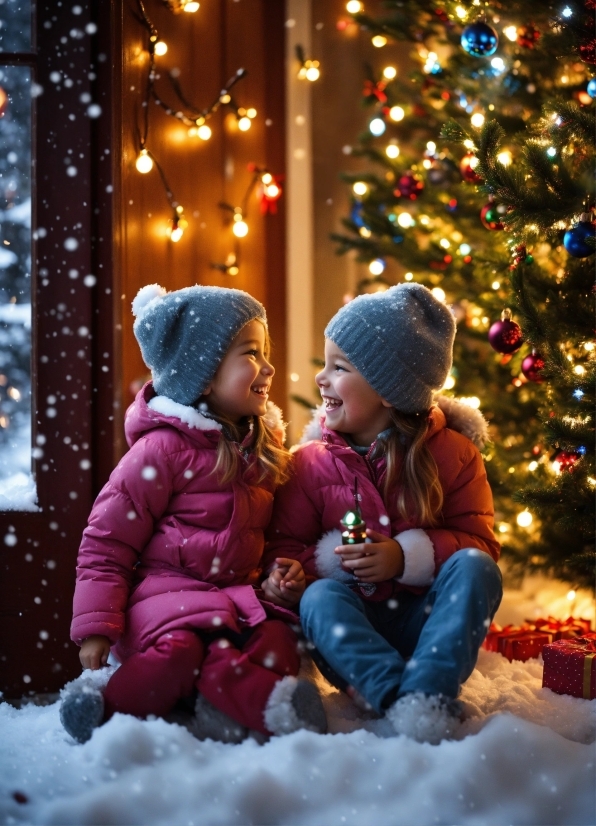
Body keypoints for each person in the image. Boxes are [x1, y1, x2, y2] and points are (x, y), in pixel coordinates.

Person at [60, 284, 326, 744]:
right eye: (251, 354)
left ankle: (227, 700)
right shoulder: (159, 452)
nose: (268, 367)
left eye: (266, 353)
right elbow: (107, 542)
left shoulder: (263, 451)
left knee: (279, 642)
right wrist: (96, 628)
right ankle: (106, 707)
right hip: (167, 606)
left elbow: (276, 535)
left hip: (238, 601)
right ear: (203, 376)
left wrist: (280, 576)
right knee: (186, 653)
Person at [262, 283, 502, 744]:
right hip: (352, 638)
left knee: (477, 567)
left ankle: (428, 692)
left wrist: (406, 557)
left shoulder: (454, 455)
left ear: (389, 390)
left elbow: (482, 544)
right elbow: (285, 547)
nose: (321, 378)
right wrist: (288, 576)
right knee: (318, 599)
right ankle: (395, 697)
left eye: (339, 367)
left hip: (427, 627)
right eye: (324, 363)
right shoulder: (309, 463)